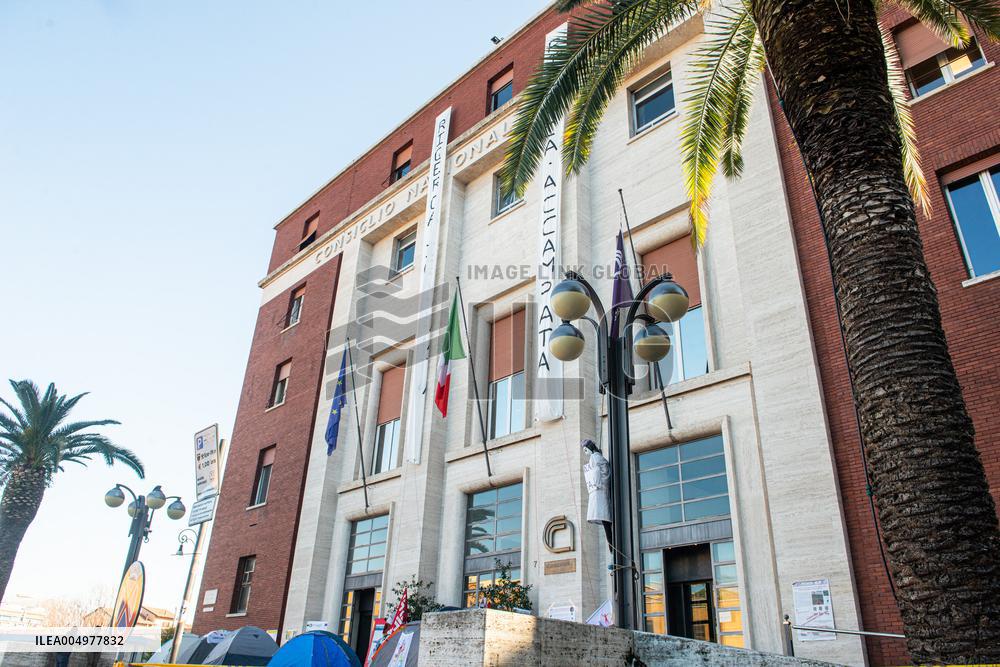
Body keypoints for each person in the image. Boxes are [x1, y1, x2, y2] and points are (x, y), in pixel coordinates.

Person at [582, 439, 613, 549]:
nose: (585, 453)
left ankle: (611, 544)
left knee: (605, 517)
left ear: (590, 448)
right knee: (605, 519)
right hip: (599, 490)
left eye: (586, 450)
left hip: (600, 490)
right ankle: (611, 544)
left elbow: (603, 473)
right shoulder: (595, 458)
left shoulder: (595, 457)